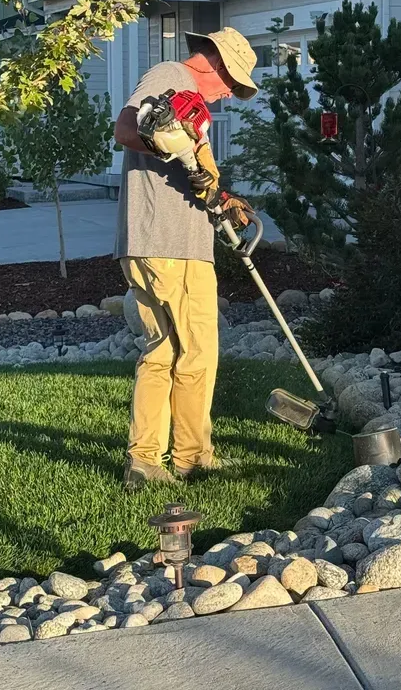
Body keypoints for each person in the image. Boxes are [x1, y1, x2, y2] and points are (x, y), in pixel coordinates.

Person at [114, 27, 258, 492]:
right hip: (169, 242)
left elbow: (193, 174)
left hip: (158, 239)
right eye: (232, 85)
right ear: (214, 62)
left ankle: (144, 461)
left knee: (164, 350)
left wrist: (222, 196)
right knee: (196, 351)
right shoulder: (171, 75)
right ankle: (193, 459)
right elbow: (125, 129)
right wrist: (165, 144)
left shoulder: (187, 98)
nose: (230, 97)